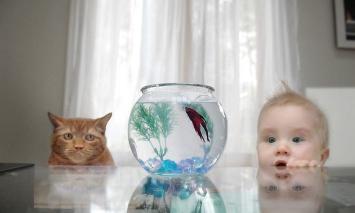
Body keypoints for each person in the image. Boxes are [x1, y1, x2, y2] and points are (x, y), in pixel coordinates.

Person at [257, 83, 329, 167]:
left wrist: (310, 176)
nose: (281, 149)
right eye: (271, 140)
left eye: (296, 140)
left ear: (321, 158)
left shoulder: (315, 176)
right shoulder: (260, 176)